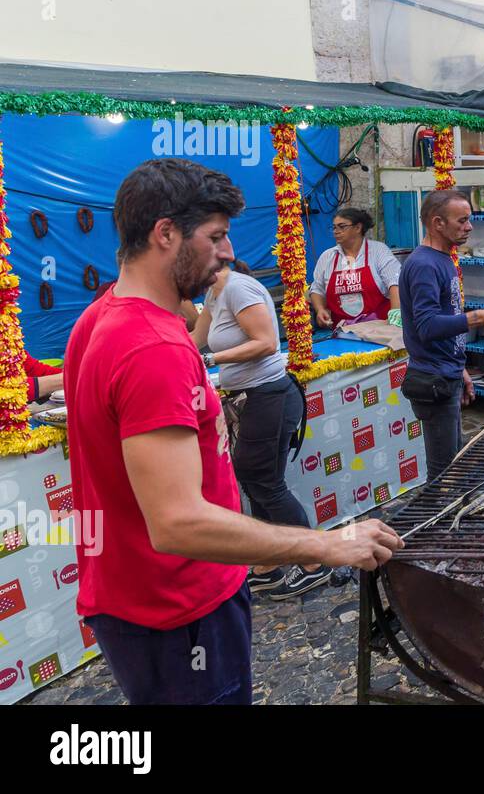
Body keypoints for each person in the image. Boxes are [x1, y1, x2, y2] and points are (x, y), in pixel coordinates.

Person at [63, 158, 401, 705]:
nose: (226, 251)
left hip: (141, 602)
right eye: (216, 236)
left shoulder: (100, 316)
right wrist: (328, 543)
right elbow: (177, 523)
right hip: (179, 610)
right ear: (165, 233)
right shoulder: (153, 346)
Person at [191, 260, 326, 599]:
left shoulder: (238, 288)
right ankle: (268, 564)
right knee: (254, 481)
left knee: (265, 482)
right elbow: (197, 338)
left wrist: (210, 361)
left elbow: (266, 342)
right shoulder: (213, 292)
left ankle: (315, 563)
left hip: (269, 396)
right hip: (251, 398)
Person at [400, 190, 484, 480]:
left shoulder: (443, 259)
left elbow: (444, 320)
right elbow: (427, 326)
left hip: (446, 373)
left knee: (455, 461)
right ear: (438, 223)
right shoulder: (424, 265)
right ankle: (435, 522)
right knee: (444, 473)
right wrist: (479, 317)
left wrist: (459, 367)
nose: (470, 226)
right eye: (462, 220)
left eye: (469, 219)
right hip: (432, 380)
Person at [310, 207, 402, 329]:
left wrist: (396, 317)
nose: (336, 231)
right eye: (334, 227)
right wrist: (320, 309)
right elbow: (317, 289)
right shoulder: (328, 257)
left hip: (379, 329)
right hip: (342, 332)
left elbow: (395, 283)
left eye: (342, 226)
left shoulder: (378, 251)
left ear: (358, 228)